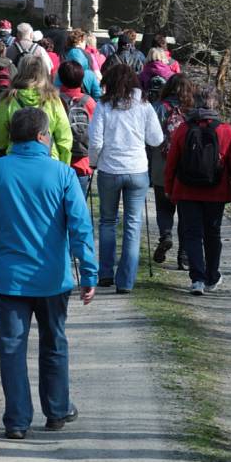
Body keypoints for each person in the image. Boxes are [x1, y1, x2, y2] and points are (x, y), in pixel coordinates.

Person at [0, 107, 97, 439]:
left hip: (10, 278)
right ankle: (57, 410)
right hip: (53, 278)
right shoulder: (62, 174)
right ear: (41, 136)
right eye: (48, 134)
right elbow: (80, 228)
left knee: (11, 348)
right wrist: (89, 274)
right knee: (54, 342)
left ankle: (17, 421)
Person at [88, 64, 163, 293]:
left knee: (108, 221)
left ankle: (105, 274)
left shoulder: (103, 105)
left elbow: (96, 141)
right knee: (133, 224)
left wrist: (93, 162)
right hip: (137, 169)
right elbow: (156, 139)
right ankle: (126, 281)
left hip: (110, 170)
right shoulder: (144, 105)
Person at [164, 84, 231, 296]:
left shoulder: (183, 129)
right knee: (212, 234)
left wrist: (170, 189)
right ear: (216, 104)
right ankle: (211, 276)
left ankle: (197, 279)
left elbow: (172, 162)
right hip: (215, 192)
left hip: (187, 190)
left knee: (192, 234)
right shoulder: (226, 130)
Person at [150, 74, 196, 270]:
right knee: (186, 212)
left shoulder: (159, 107)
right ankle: (184, 256)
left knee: (163, 207)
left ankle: (166, 234)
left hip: (162, 166)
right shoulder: (192, 111)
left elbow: (150, 136)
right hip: (186, 168)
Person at [0, 55, 72, 164]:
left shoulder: (8, 99)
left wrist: (8, 144)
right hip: (48, 161)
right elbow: (65, 138)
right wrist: (64, 165)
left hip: (16, 159)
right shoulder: (53, 100)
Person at [58, 61, 96, 196]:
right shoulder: (89, 102)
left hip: (58, 162)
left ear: (60, 77)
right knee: (79, 210)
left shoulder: (53, 100)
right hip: (82, 163)